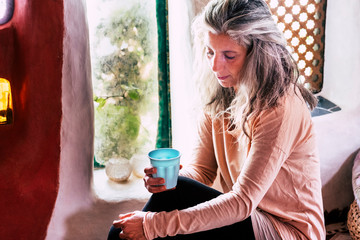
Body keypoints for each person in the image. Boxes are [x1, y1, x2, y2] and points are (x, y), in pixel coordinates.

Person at [108, 0, 325, 239]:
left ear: (258, 54)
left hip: (286, 231)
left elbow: (242, 202)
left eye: (229, 55)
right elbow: (202, 171)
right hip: (245, 216)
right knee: (165, 199)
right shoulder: (221, 91)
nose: (214, 65)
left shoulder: (280, 105)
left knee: (158, 224)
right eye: (210, 52)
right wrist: (167, 181)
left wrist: (153, 225)